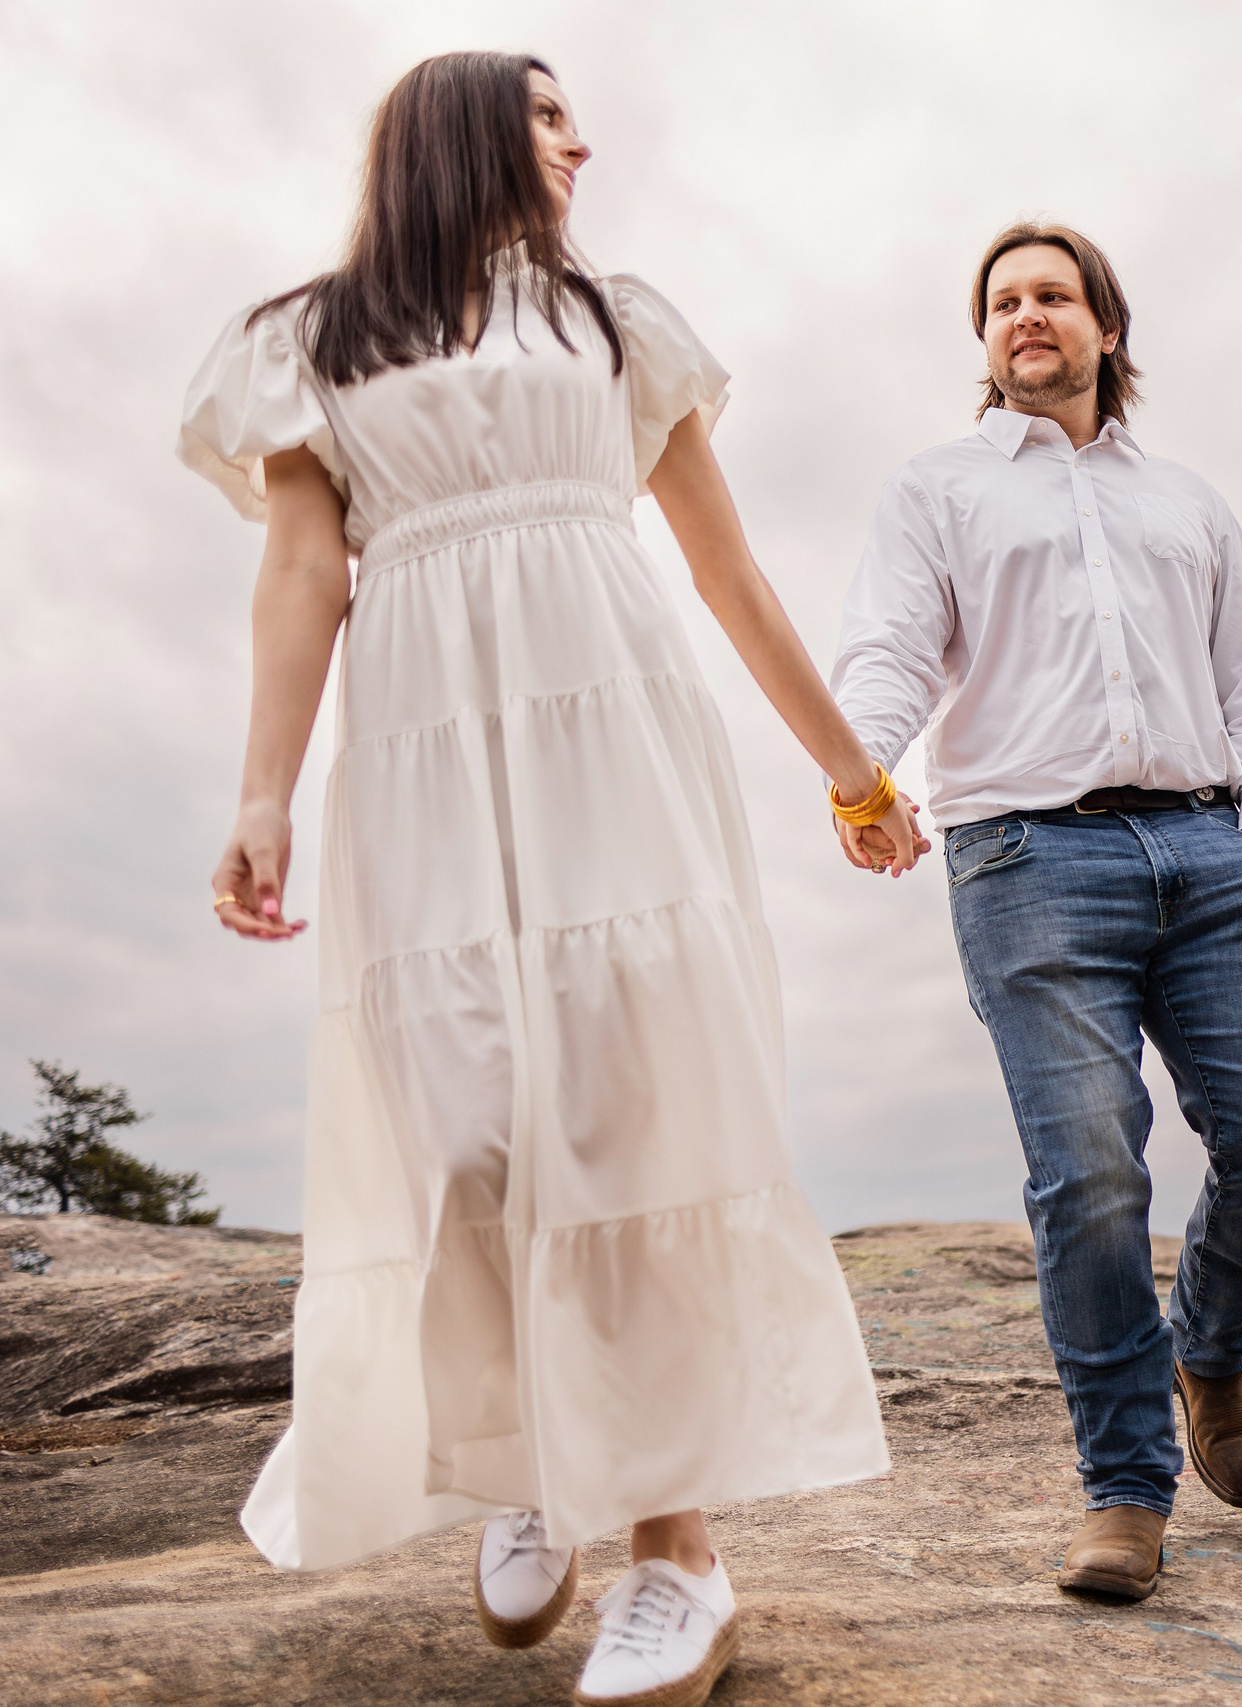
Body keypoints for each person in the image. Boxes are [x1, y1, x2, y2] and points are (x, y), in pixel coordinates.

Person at [179, 52, 921, 1707]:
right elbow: (301, 573)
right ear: (458, 135)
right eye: (547, 115)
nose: (583, 140)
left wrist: (851, 769)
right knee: (463, 1133)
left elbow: (724, 566)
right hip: (424, 756)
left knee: (622, 1117)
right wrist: (262, 796)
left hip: (613, 740)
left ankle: (676, 1550)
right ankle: (537, 1455)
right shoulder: (309, 341)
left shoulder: (611, 323)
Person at [829, 222, 1242, 1602]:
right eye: (1002, 303)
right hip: (1028, 859)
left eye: (1052, 295)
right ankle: (1126, 1488)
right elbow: (887, 649)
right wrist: (858, 773)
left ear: (1107, 327)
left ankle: (1208, 1353)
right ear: (985, 340)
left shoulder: (1188, 503)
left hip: (1213, 851)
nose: (1025, 316)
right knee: (1091, 1169)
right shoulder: (937, 490)